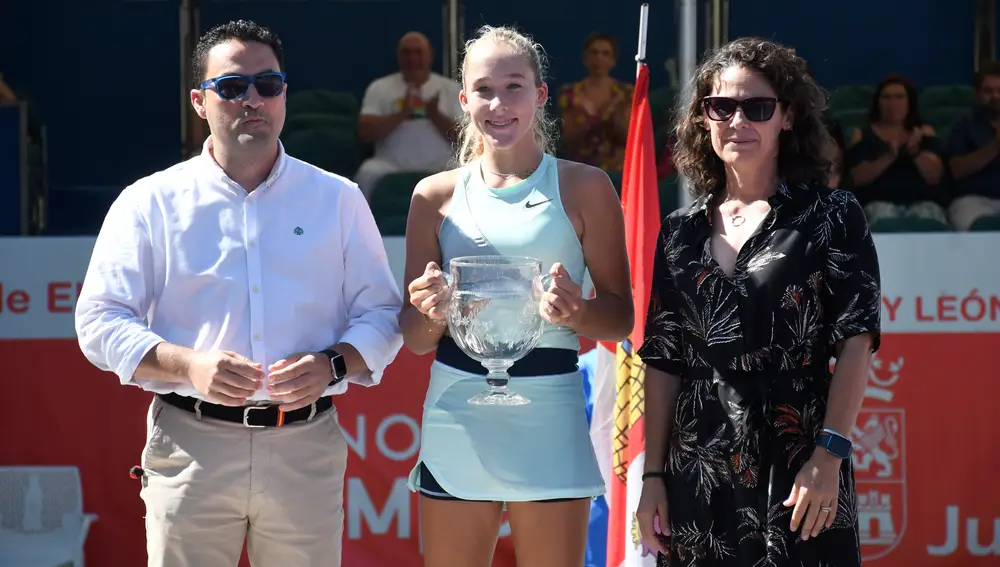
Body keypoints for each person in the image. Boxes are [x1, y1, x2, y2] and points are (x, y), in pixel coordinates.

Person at [74, 20, 403, 567]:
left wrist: (334, 365)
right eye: (231, 87)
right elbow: (100, 320)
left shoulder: (338, 199)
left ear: (283, 96)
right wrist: (188, 365)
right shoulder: (149, 202)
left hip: (305, 446)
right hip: (190, 443)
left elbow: (382, 311)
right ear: (200, 102)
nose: (252, 99)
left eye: (267, 85)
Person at [634, 37, 880, 567]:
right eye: (721, 106)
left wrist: (829, 454)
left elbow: (857, 341)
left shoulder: (833, 215)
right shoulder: (678, 232)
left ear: (787, 118)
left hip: (799, 454)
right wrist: (653, 475)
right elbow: (663, 359)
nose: (737, 119)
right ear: (703, 118)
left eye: (758, 107)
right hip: (698, 459)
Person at [399, 25, 633, 567]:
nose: (498, 103)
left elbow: (620, 319)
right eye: (483, 89)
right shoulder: (431, 196)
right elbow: (414, 339)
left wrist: (577, 311)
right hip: (457, 408)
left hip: (550, 410)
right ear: (463, 101)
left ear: (540, 95)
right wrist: (431, 310)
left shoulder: (587, 186)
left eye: (514, 87)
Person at [845, 74, 947, 226]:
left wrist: (915, 153)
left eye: (899, 97)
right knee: (881, 218)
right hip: (877, 201)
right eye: (886, 97)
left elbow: (935, 177)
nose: (893, 103)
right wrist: (889, 157)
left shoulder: (925, 131)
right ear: (878, 102)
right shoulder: (861, 134)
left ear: (909, 102)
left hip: (922, 200)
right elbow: (858, 178)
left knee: (929, 218)